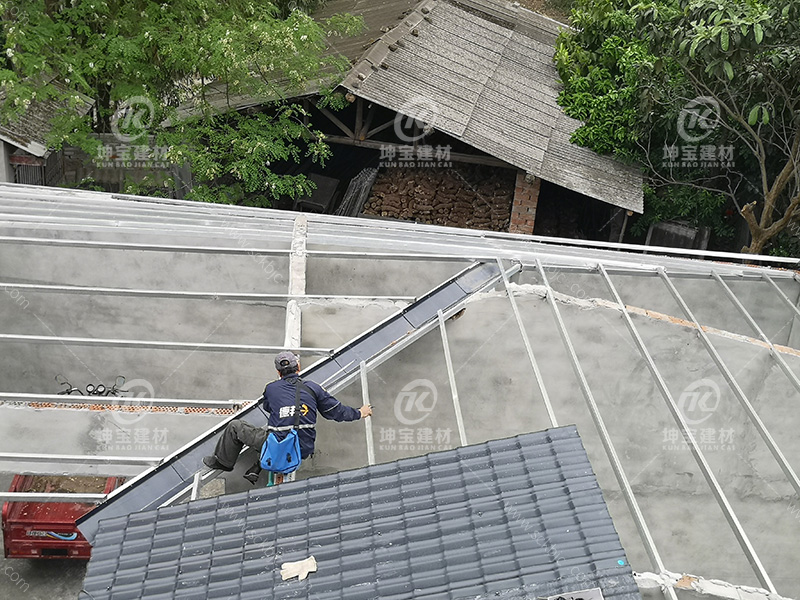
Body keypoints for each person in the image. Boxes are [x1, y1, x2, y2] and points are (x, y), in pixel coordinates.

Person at [203, 351, 372, 481]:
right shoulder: (313, 388)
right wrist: (359, 412)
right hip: (302, 449)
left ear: (278, 372)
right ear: (298, 367)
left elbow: (268, 407)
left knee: (235, 426)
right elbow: (336, 411)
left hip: (276, 445)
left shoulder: (271, 389)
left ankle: (223, 462)